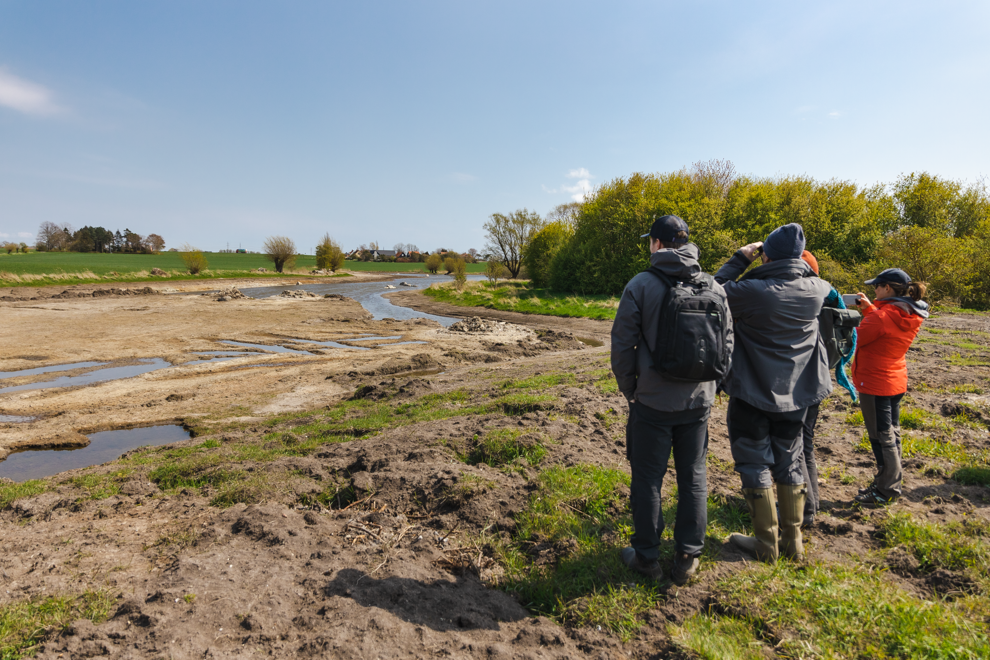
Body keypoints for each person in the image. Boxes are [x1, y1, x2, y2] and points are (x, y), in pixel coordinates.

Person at [611, 215, 732, 585]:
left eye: (651, 240)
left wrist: (631, 389)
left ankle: (647, 558)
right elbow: (727, 344)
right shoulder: (714, 285)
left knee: (648, 478)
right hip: (698, 402)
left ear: (658, 244)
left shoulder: (641, 284)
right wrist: (714, 387)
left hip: (652, 402)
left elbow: (622, 345)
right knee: (694, 476)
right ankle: (688, 557)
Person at [713, 224, 832, 562]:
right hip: (797, 395)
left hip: (752, 392)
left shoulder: (753, 291)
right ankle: (793, 543)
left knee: (753, 462)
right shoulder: (817, 288)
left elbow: (711, 290)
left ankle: (766, 544)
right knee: (790, 458)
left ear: (767, 254)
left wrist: (740, 258)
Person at [850, 268, 928, 505]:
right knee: (891, 434)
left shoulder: (881, 317)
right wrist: (868, 309)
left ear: (888, 288)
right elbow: (885, 326)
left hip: (874, 383)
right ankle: (888, 482)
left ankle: (886, 490)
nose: (874, 289)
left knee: (880, 437)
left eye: (877, 286)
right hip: (894, 379)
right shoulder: (906, 312)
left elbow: (855, 339)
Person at [798, 250, 858, 528]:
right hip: (820, 377)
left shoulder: (801, 298)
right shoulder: (827, 296)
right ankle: (812, 503)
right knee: (805, 443)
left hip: (799, 381)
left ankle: (805, 508)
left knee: (795, 445)